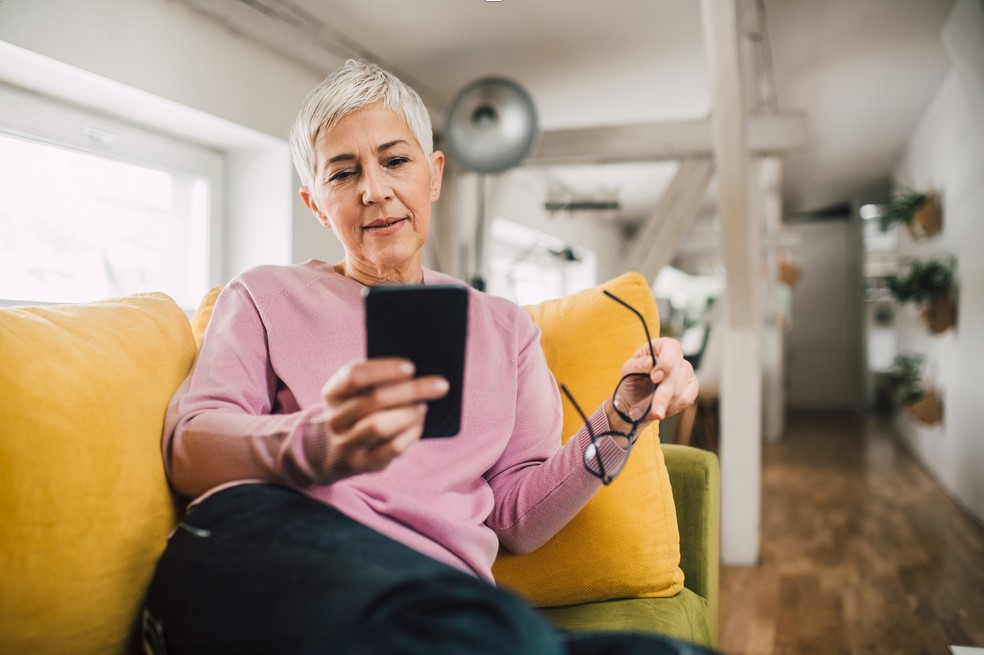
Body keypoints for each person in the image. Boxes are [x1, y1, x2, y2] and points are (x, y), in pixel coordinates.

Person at [143, 59, 707, 655]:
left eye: (394, 160)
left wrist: (621, 419)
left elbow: (518, 520)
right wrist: (318, 442)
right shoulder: (263, 295)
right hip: (271, 546)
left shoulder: (503, 330)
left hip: (430, 598)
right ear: (315, 203)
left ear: (433, 174)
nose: (374, 189)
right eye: (342, 173)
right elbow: (189, 448)